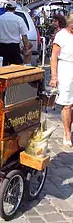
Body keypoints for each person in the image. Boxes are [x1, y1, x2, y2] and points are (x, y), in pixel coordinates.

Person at [50, 14, 73, 147]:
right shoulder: (61, 35)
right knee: (67, 104)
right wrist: (54, 76)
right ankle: (67, 133)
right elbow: (54, 57)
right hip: (66, 69)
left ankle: (69, 125)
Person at [0, 0, 31, 66]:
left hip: (2, 47)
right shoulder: (19, 19)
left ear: (6, 8)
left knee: (2, 69)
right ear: (15, 8)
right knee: (15, 69)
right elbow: (24, 36)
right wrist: (26, 47)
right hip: (14, 47)